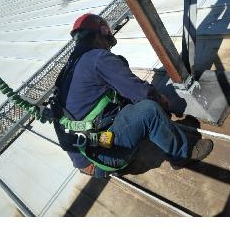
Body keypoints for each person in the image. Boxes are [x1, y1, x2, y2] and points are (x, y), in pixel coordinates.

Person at [53, 13, 214, 178]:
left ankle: (166, 131)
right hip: (100, 159)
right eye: (108, 42)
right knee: (149, 110)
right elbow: (141, 92)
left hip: (87, 150)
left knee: (122, 73)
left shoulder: (71, 67)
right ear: (101, 34)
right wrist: (162, 102)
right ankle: (182, 153)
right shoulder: (98, 58)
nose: (108, 48)